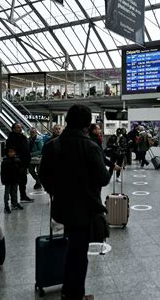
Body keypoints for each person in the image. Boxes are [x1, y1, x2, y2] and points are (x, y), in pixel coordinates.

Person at [39, 104, 110, 300]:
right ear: (87, 125)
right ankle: (74, 295)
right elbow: (103, 178)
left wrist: (56, 191)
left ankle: (67, 291)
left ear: (67, 120)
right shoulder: (90, 146)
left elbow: (43, 176)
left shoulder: (52, 145)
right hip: (84, 212)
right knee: (79, 256)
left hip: (61, 209)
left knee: (69, 251)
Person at [6, 123, 34, 203]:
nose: (20, 128)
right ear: (13, 129)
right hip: (15, 164)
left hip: (24, 164)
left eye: (21, 127)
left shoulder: (24, 137)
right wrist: (17, 160)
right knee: (14, 183)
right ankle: (14, 200)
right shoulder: (10, 139)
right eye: (18, 127)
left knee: (23, 181)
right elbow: (9, 152)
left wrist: (27, 161)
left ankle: (23, 196)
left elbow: (26, 150)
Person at [1, 146, 23, 214]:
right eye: (9, 152)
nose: (11, 153)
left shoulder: (17, 160)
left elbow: (19, 170)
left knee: (14, 192)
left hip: (15, 179)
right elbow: (2, 172)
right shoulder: (5, 161)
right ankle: (6, 206)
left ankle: (14, 203)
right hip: (8, 180)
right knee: (7, 193)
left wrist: (19, 178)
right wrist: (3, 180)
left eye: (12, 152)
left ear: (14, 152)